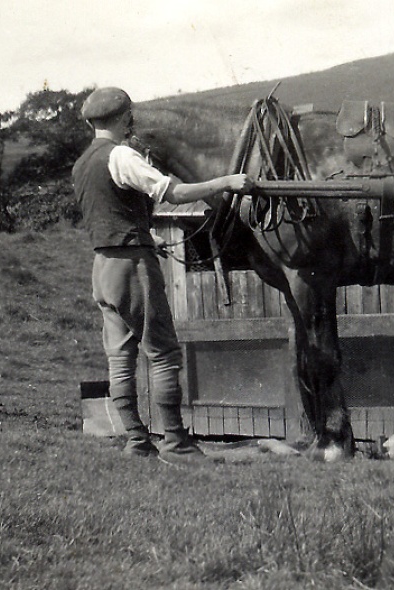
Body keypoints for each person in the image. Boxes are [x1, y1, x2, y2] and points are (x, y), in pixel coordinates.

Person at [72, 87, 254, 460]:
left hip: (102, 267)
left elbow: (108, 213)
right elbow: (174, 193)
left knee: (120, 356)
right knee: (163, 352)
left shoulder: (82, 163)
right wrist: (225, 182)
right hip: (131, 267)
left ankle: (137, 441)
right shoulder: (121, 155)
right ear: (124, 118)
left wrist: (143, 235)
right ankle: (176, 441)